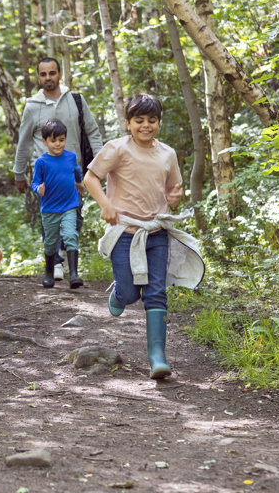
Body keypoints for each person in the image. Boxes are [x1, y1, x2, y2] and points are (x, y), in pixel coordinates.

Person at [84, 93, 204, 380]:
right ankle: (120, 292)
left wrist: (176, 196)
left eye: (152, 120)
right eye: (139, 120)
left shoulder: (167, 154)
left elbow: (174, 192)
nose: (145, 125)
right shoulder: (117, 149)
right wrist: (106, 204)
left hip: (156, 232)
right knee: (129, 292)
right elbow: (90, 178)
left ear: (158, 123)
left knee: (156, 292)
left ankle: (157, 357)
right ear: (128, 123)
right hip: (123, 233)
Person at [13, 57, 103, 281]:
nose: (48, 78)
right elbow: (23, 142)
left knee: (75, 217)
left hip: (74, 173)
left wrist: (101, 163)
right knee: (51, 218)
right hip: (46, 175)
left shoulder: (75, 100)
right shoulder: (32, 106)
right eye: (43, 74)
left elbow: (92, 132)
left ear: (59, 74)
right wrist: (19, 173)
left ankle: (64, 253)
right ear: (38, 77)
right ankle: (57, 263)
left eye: (52, 73)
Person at [31, 119, 85, 289]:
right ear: (45, 142)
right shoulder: (42, 162)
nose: (58, 144)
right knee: (51, 241)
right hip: (50, 208)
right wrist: (38, 189)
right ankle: (49, 272)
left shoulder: (70, 156)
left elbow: (76, 171)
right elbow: (34, 183)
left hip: (69, 204)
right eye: (53, 141)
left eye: (61, 140)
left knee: (70, 235)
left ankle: (74, 275)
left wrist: (79, 183)